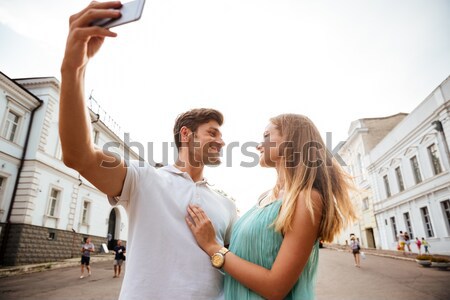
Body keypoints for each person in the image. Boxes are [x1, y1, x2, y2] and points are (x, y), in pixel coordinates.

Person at [59, 2, 238, 299]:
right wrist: (73, 68)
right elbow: (78, 155)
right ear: (186, 134)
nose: (221, 141)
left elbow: (235, 268)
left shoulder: (227, 206)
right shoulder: (143, 181)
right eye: (212, 133)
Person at [186, 114, 356, 299]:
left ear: (291, 141)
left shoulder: (307, 199)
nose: (259, 145)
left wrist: (212, 247)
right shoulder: (264, 198)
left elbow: (275, 287)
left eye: (267, 136)